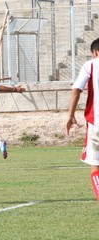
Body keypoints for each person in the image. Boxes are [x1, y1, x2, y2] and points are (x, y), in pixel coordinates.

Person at [66, 38, 99, 201]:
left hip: (96, 121)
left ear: (95, 52)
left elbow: (76, 90)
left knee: (96, 165)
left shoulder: (90, 65)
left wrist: (71, 115)